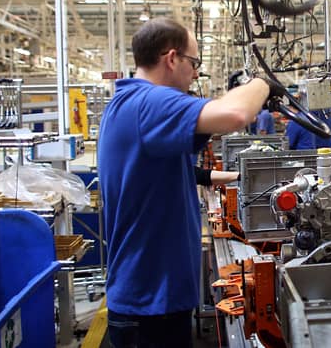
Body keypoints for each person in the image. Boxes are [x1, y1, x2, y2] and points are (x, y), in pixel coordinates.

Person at [98, 18, 283, 347]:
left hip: (153, 300)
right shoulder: (148, 103)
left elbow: (191, 160)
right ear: (171, 59)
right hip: (150, 308)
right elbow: (235, 116)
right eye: (194, 63)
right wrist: (262, 85)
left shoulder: (131, 105)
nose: (196, 74)